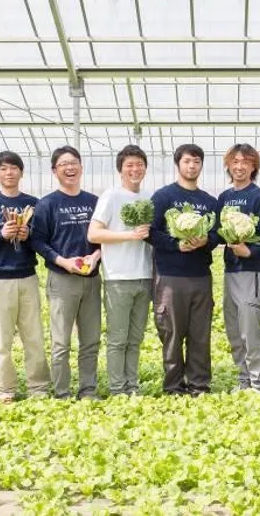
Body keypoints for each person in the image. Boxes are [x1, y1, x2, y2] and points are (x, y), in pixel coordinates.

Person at [0, 151, 49, 403]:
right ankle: (5, 390)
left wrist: (28, 237)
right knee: (1, 339)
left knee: (34, 336)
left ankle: (38, 388)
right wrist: (1, 235)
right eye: (4, 169)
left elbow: (41, 240)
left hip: (27, 277)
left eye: (14, 168)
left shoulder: (34, 204)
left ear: (21, 172)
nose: (9, 173)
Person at [31, 146, 102, 400]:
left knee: (91, 340)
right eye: (63, 164)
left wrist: (95, 257)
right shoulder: (47, 204)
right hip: (62, 280)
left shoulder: (94, 202)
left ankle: (88, 390)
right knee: (61, 342)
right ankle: (61, 392)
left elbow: (101, 238)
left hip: (91, 279)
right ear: (54, 171)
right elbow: (37, 241)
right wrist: (63, 262)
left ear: (81, 167)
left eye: (74, 163)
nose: (69, 168)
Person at [150, 143, 218, 396]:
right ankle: (173, 386)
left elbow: (216, 235)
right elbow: (151, 233)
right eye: (188, 161)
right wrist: (175, 244)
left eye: (197, 161)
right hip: (170, 275)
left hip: (200, 275)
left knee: (200, 333)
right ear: (178, 164)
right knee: (172, 331)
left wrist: (206, 242)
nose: (192, 166)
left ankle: (199, 384)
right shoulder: (163, 196)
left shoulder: (208, 201)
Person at [87, 145, 153, 396]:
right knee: (117, 339)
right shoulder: (111, 196)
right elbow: (94, 233)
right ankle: (117, 389)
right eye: (130, 165)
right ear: (120, 170)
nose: (135, 169)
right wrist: (130, 235)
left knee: (135, 338)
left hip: (144, 275)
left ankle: (132, 386)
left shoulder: (148, 198)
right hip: (117, 277)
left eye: (139, 164)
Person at [216, 144, 260, 393]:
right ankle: (243, 380)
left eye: (245, 162)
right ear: (229, 165)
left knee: (250, 331)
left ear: (253, 167)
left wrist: (248, 251)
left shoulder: (259, 196)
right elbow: (217, 232)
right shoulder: (224, 197)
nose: (239, 166)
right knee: (235, 330)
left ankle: (259, 385)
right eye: (235, 162)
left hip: (252, 271)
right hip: (231, 271)